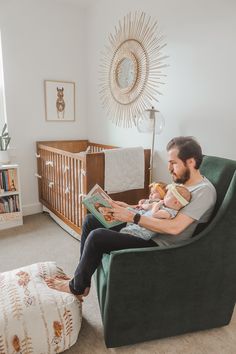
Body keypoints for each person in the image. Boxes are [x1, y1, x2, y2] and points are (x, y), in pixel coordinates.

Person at [45, 136, 217, 301]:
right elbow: (156, 206)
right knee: (90, 220)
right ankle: (82, 281)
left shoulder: (203, 191)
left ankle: (76, 287)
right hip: (147, 229)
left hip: (158, 242)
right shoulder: (181, 183)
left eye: (173, 163)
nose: (169, 168)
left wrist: (132, 217)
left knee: (97, 237)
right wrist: (126, 207)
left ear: (191, 162)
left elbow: (174, 228)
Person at [120, 184, 191, 240]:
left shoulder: (169, 212)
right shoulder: (164, 206)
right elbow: (149, 206)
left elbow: (154, 214)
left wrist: (157, 205)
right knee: (128, 216)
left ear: (175, 202)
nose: (164, 197)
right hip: (140, 224)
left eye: (167, 196)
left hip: (143, 232)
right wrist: (142, 205)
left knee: (125, 233)